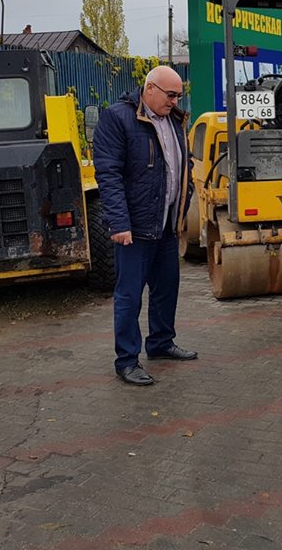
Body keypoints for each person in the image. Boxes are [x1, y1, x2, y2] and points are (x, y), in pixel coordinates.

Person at [93, 65, 196, 386]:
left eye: (179, 96)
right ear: (149, 88)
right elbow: (108, 174)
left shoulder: (175, 120)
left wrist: (184, 202)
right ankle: (126, 359)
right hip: (133, 229)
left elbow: (182, 165)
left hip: (166, 225)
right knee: (129, 296)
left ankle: (161, 343)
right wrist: (119, 223)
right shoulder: (118, 118)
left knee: (166, 289)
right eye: (170, 95)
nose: (175, 101)